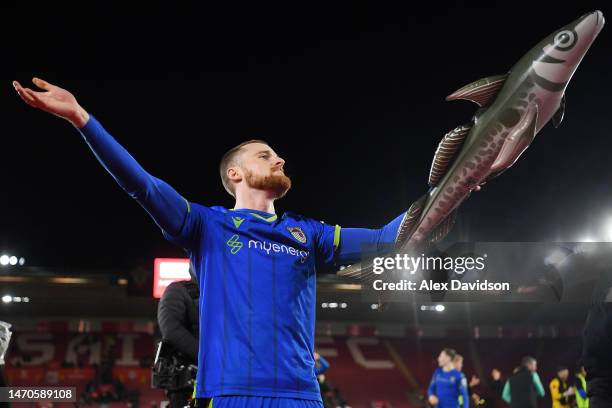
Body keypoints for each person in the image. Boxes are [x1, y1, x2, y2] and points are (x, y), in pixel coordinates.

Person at [12, 78, 414, 408]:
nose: (280, 160)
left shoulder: (309, 233)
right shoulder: (207, 225)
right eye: (265, 155)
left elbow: (386, 238)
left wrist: (456, 184)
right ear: (236, 174)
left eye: (277, 155)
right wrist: (82, 119)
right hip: (226, 395)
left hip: (299, 396)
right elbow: (143, 186)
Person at [157, 279, 200, 407]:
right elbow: (171, 330)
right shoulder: (179, 290)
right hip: (188, 385)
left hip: (227, 382)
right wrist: (208, 358)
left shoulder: (227, 292)